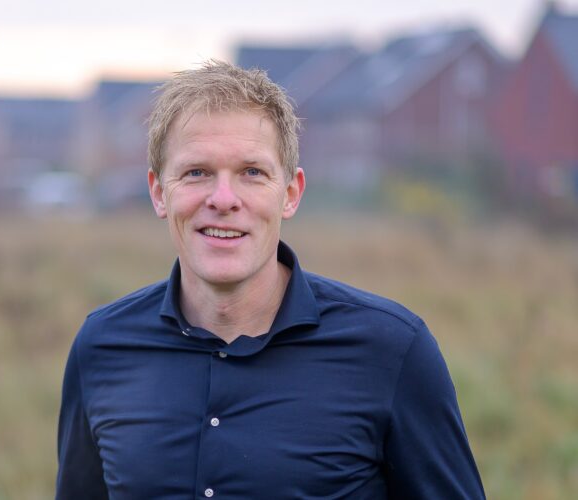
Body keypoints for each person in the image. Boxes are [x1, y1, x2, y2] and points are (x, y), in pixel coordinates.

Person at [56, 60, 485, 499]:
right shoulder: (101, 347)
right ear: (158, 192)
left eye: (252, 173)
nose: (224, 199)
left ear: (291, 194)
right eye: (197, 172)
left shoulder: (391, 351)